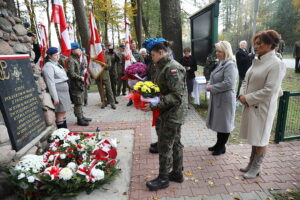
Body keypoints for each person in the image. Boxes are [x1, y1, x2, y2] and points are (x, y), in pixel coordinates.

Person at [238, 30, 286, 179]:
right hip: (251, 104)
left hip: (263, 108)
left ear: (271, 45)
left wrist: (248, 98)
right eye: (255, 43)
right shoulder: (257, 60)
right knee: (254, 136)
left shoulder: (277, 64)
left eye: (259, 43)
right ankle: (251, 163)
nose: (256, 46)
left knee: (261, 138)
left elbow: (270, 90)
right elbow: (246, 79)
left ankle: (257, 167)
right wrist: (241, 94)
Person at [141, 38, 188, 191]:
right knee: (175, 143)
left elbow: (176, 96)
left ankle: (163, 178)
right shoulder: (163, 66)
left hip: (173, 113)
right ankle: (177, 173)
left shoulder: (172, 68)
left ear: (161, 53)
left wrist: (155, 104)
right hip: (168, 111)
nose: (151, 58)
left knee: (165, 145)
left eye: (153, 55)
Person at [206, 40, 238, 156]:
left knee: (225, 123)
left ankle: (221, 146)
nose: (217, 53)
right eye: (217, 51)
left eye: (219, 51)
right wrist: (210, 82)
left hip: (225, 99)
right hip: (219, 97)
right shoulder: (221, 63)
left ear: (225, 51)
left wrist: (212, 87)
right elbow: (215, 76)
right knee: (220, 122)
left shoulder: (230, 65)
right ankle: (219, 144)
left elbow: (229, 83)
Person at [42, 47, 71, 129]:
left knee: (63, 112)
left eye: (58, 54)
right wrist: (55, 97)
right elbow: (50, 83)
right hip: (58, 92)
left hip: (63, 92)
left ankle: (65, 133)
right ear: (49, 56)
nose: (58, 56)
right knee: (60, 114)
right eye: (55, 55)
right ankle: (62, 136)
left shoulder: (56, 64)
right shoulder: (48, 66)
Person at [67, 42, 92, 126]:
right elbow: (72, 73)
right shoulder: (71, 60)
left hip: (79, 84)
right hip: (75, 84)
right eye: (77, 49)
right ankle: (79, 119)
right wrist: (80, 78)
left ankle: (81, 116)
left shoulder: (76, 58)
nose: (79, 50)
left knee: (80, 101)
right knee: (77, 102)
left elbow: (79, 70)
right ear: (73, 50)